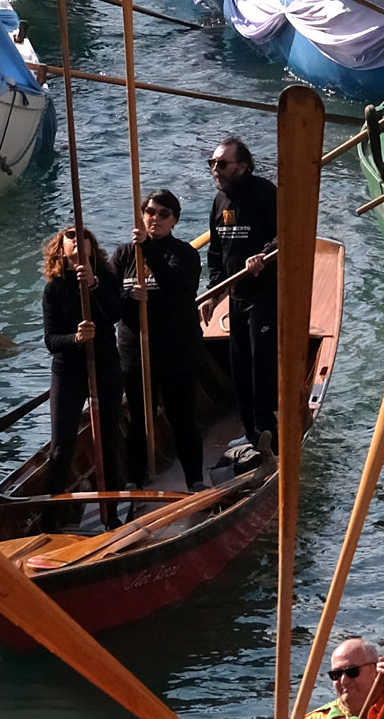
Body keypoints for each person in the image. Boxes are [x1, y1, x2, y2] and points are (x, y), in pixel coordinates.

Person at [114, 190, 209, 488]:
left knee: (182, 417)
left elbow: (177, 290)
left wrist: (148, 248)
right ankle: (134, 482)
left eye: (163, 213)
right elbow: (110, 301)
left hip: (176, 351)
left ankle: (194, 480)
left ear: (174, 220)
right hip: (136, 352)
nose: (155, 218)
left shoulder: (185, 254)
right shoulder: (124, 254)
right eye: (150, 212)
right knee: (139, 419)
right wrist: (129, 296)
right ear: (142, 215)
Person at [40, 225, 131, 498]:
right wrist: (76, 338)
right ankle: (51, 512)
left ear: (92, 246)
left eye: (83, 236)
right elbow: (51, 340)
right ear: (61, 249)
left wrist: (93, 285)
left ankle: (112, 510)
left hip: (104, 366)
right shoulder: (54, 289)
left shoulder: (106, 278)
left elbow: (115, 314)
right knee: (61, 448)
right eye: (70, 236)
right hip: (68, 372)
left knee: (107, 440)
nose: (77, 240)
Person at [207, 137, 280, 450]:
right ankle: (251, 432)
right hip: (236, 296)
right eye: (212, 163)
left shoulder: (264, 193)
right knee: (239, 366)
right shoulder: (219, 201)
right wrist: (213, 292)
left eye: (222, 163)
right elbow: (215, 251)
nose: (215, 169)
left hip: (264, 293)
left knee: (261, 364)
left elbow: (285, 233)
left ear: (243, 166)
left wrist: (264, 253)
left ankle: (269, 430)